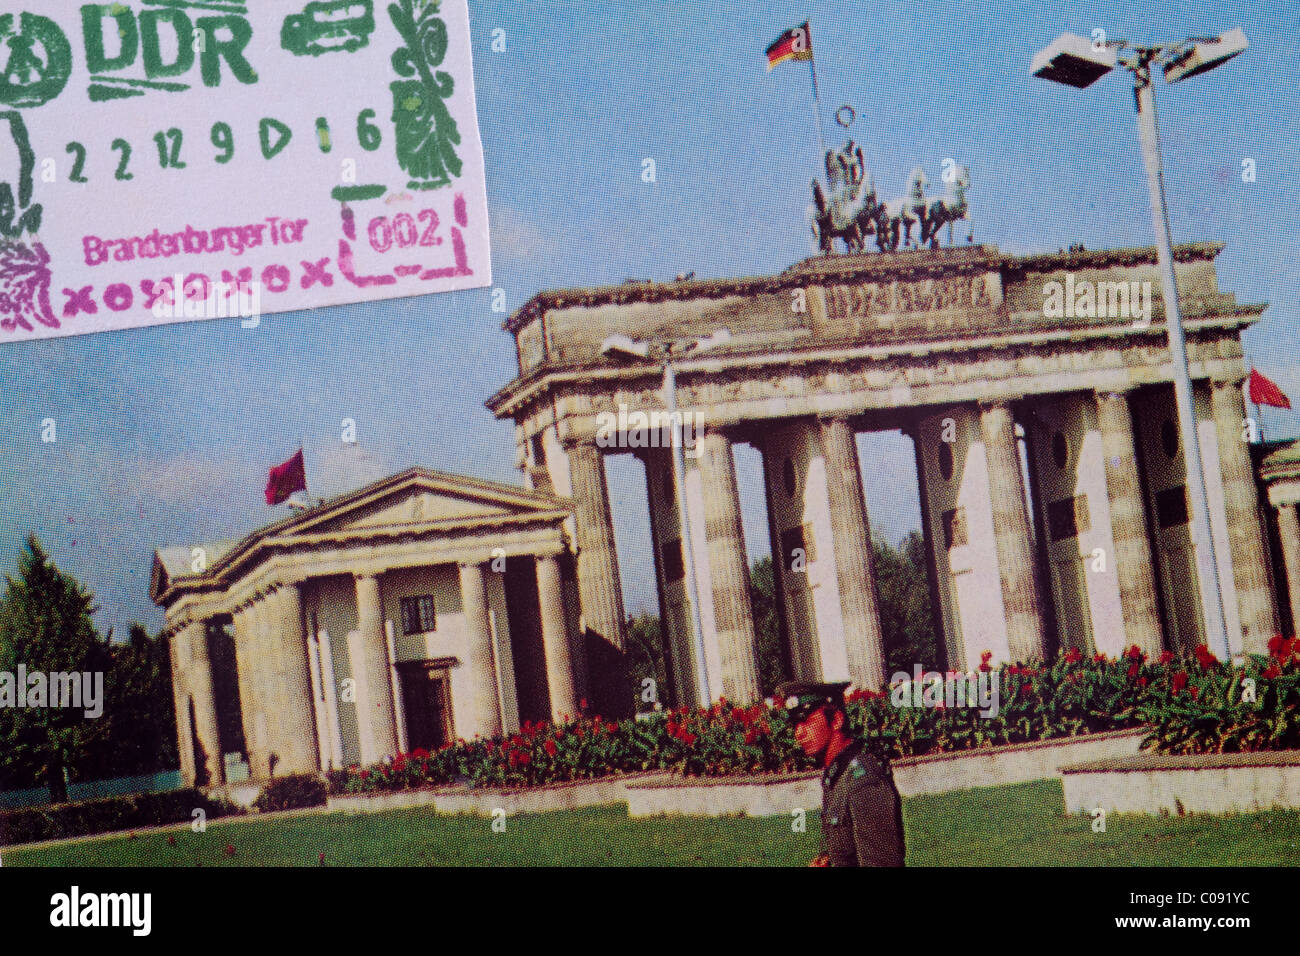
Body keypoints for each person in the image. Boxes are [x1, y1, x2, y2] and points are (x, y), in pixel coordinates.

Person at [776, 680, 905, 867]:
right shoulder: (837, 777)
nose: (799, 733)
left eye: (806, 721)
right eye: (795, 724)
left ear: (836, 720)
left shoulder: (863, 779)